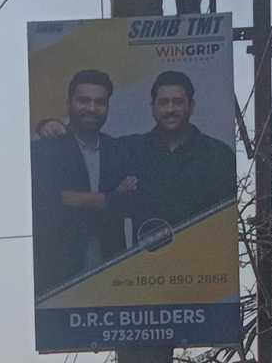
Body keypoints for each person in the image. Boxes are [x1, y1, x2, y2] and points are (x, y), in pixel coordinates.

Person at [29, 68, 142, 297]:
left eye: (100, 102)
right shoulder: (44, 151)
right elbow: (45, 202)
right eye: (84, 100)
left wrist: (72, 199)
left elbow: (132, 203)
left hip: (114, 274)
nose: (92, 108)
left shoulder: (120, 151)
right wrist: (110, 198)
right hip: (58, 278)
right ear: (68, 103)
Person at [136, 68, 236, 232]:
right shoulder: (134, 152)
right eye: (163, 102)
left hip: (203, 248)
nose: (170, 109)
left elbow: (227, 220)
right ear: (153, 107)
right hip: (150, 249)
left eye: (178, 102)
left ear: (191, 106)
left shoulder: (219, 155)